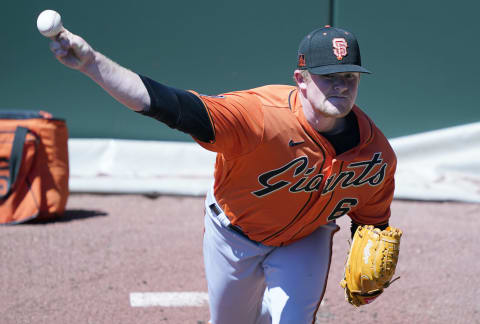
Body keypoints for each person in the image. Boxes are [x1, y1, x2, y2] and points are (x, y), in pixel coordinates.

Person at [48, 25, 396, 324]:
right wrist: (93, 64)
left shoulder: (375, 153)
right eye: (328, 77)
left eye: (349, 77)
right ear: (301, 80)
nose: (341, 86)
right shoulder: (259, 116)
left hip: (305, 239)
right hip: (233, 234)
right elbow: (172, 105)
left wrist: (373, 236)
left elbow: (372, 218)